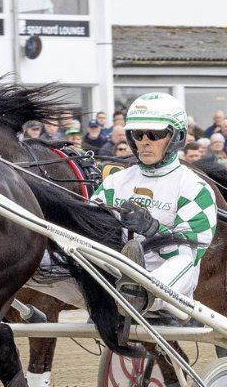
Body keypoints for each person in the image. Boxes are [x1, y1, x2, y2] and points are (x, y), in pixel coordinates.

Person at [92, 93, 217, 317]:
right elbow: (87, 229)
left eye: (155, 134)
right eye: (138, 134)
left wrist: (152, 229)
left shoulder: (195, 188)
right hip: (115, 271)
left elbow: (190, 252)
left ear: (177, 137)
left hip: (168, 282)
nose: (145, 141)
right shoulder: (114, 183)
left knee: (184, 261)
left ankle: (139, 294)